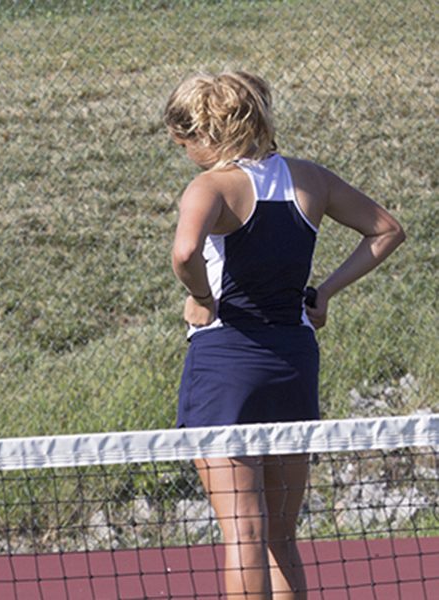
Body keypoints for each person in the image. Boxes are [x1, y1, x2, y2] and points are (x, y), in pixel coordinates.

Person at [164, 71, 405, 599]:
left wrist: (203, 298)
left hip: (226, 365)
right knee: (279, 534)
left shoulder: (210, 187)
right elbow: (386, 229)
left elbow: (184, 254)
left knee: (244, 534)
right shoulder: (310, 180)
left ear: (203, 132)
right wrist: (325, 293)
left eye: (184, 144)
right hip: (294, 362)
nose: (186, 155)